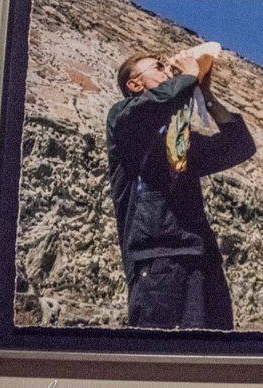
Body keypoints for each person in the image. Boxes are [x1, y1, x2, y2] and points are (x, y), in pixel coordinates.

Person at [106, 49, 255, 329]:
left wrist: (206, 96)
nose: (167, 69)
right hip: (157, 260)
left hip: (202, 259)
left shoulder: (181, 140)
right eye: (158, 67)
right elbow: (158, 102)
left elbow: (240, 146)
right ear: (135, 84)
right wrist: (187, 75)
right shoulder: (123, 119)